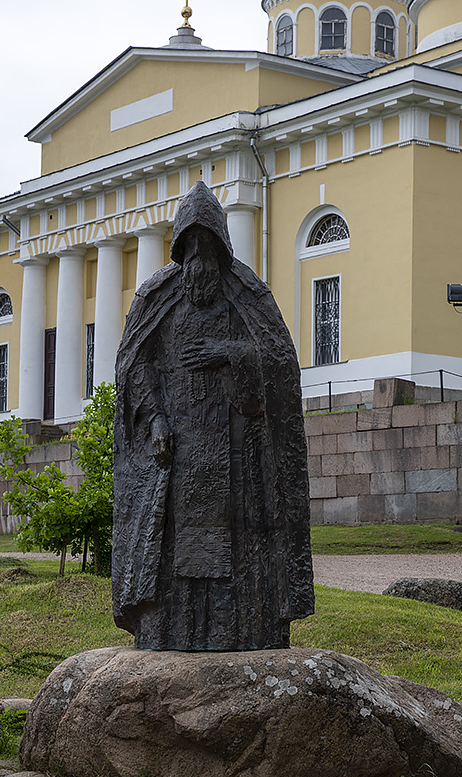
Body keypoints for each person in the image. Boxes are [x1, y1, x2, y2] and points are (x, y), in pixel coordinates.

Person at [112, 181, 314, 651]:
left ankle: (247, 631)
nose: (200, 261)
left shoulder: (249, 297)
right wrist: (156, 418)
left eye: (209, 248)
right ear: (180, 249)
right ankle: (169, 633)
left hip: (236, 457)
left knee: (240, 546)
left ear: (222, 249)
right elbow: (135, 364)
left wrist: (231, 353)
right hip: (179, 455)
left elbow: (279, 364)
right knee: (175, 548)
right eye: (192, 248)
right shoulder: (155, 299)